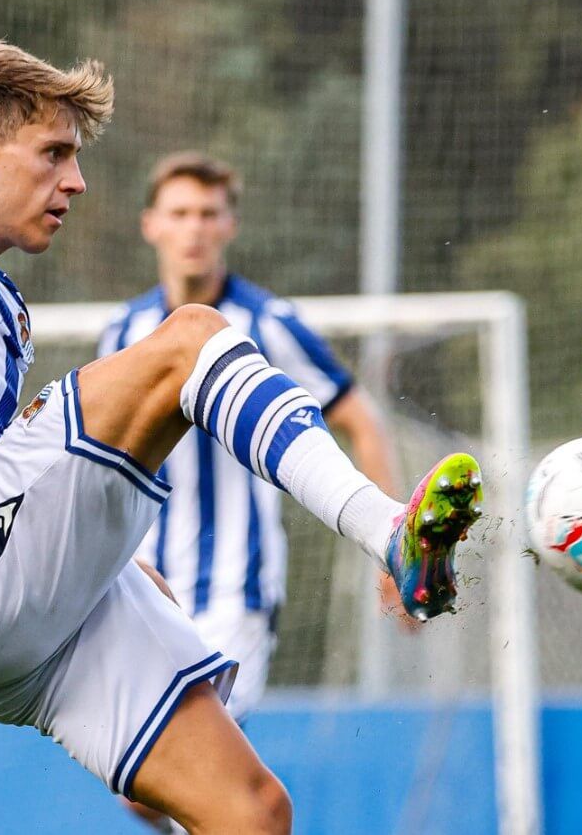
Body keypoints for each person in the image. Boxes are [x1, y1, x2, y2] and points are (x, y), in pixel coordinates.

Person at [0, 40, 483, 834]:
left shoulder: (4, 311)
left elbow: (7, 473)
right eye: (56, 154)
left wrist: (115, 559)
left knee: (254, 812)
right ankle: (389, 532)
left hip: (8, 634)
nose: (76, 181)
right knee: (193, 337)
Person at [100, 153, 412, 831]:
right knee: (149, 790)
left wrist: (389, 541)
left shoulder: (268, 323)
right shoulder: (123, 334)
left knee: (191, 775)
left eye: (208, 215)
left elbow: (360, 418)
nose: (194, 230)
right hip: (149, 591)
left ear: (230, 226)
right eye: (180, 214)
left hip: (236, 592)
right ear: (151, 224)